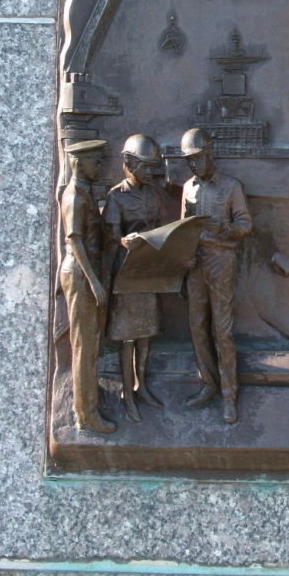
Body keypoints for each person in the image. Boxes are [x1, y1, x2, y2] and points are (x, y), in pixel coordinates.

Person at [179, 127, 252, 423]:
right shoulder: (188, 188)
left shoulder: (231, 187)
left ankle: (229, 394)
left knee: (221, 330)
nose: (194, 165)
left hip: (221, 259)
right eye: (189, 161)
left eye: (197, 158)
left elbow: (246, 224)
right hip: (194, 262)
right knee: (197, 327)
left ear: (210, 154)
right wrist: (184, 258)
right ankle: (207, 385)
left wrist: (226, 229)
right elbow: (182, 227)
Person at [103, 134, 164, 422]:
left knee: (146, 333)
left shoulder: (153, 196)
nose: (150, 173)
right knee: (127, 337)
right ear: (128, 164)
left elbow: (160, 229)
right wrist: (122, 241)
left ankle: (142, 385)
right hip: (126, 270)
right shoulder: (117, 196)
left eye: (153, 167)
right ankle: (127, 394)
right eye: (145, 167)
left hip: (147, 270)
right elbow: (109, 234)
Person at [59, 138, 115, 433]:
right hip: (82, 274)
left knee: (91, 342)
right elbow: (75, 241)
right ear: (79, 164)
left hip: (89, 270)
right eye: (96, 162)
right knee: (84, 346)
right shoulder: (75, 198)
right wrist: (95, 283)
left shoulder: (86, 193)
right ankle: (87, 415)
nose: (100, 167)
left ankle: (87, 395)